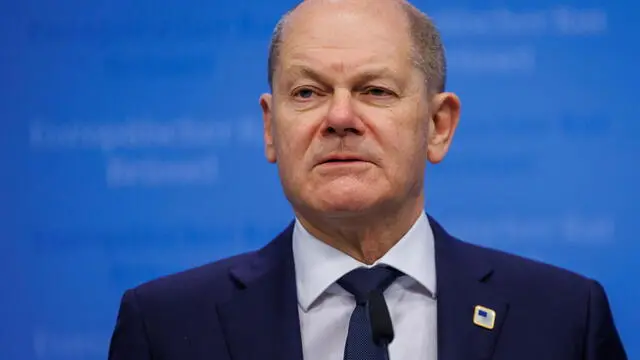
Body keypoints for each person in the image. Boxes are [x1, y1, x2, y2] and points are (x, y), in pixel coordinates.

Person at [108, 0, 627, 359]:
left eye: (375, 90)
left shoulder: (562, 319)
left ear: (438, 125)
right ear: (270, 127)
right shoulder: (167, 326)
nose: (338, 117)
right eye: (307, 92)